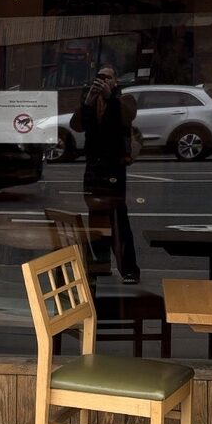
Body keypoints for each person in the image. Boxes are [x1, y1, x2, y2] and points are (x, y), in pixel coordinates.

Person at [69, 66, 140, 282]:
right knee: (96, 218)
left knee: (118, 219)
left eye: (108, 77)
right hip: (94, 167)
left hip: (114, 167)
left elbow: (126, 117)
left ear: (115, 81)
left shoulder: (124, 100)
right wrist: (88, 100)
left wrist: (110, 97)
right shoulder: (92, 101)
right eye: (100, 77)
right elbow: (77, 125)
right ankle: (99, 264)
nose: (103, 81)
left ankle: (129, 269)